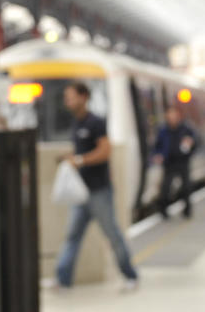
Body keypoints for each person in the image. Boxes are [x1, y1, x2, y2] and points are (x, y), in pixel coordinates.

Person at [54, 82, 139, 291]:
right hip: (81, 193)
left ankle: (130, 275)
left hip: (99, 191)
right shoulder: (77, 124)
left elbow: (105, 151)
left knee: (112, 234)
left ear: (84, 97)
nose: (67, 101)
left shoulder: (96, 123)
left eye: (71, 96)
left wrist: (80, 160)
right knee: (72, 235)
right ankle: (63, 279)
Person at [152, 105, 197, 218]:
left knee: (186, 187)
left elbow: (195, 142)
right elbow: (157, 146)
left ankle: (187, 210)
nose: (171, 117)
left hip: (183, 162)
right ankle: (163, 210)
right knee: (165, 188)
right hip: (169, 163)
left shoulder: (186, 129)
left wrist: (191, 144)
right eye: (169, 115)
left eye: (173, 115)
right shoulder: (163, 130)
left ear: (178, 116)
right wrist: (158, 155)